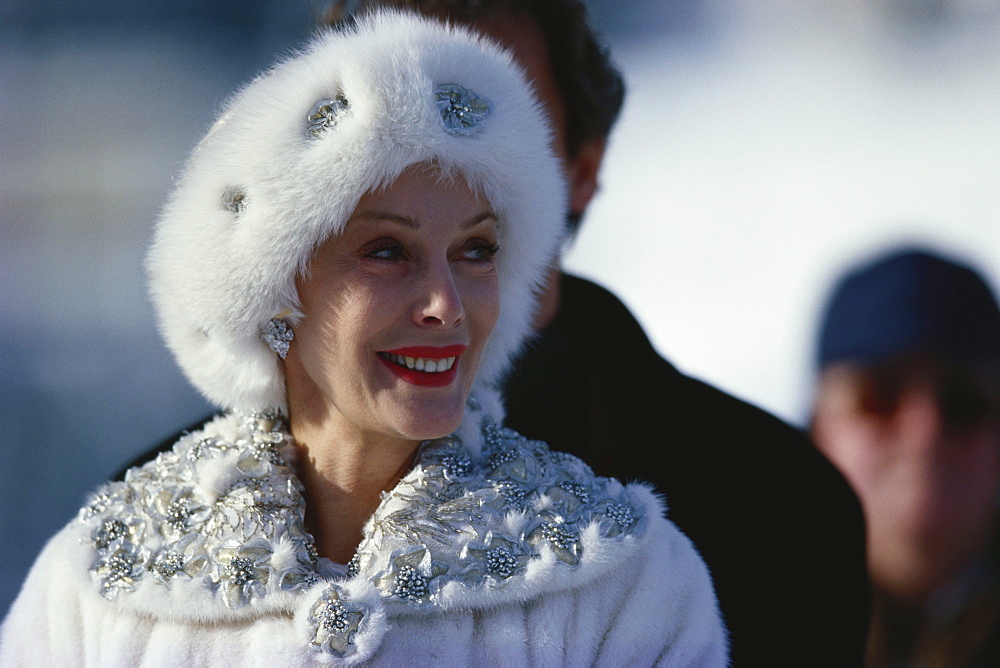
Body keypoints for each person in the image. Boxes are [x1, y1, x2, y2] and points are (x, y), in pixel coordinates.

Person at [113, 0, 871, 662]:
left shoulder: (774, 515)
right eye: (387, 129)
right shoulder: (147, 551)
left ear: (578, 169)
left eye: (489, 119)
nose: (438, 159)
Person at [0, 11, 728, 665]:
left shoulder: (624, 587)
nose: (447, 304)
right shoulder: (104, 586)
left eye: (477, 250)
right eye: (387, 251)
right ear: (276, 284)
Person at [810, 246, 1000, 666]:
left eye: (963, 402)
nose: (924, 433)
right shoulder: (719, 617)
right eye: (880, 398)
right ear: (818, 432)